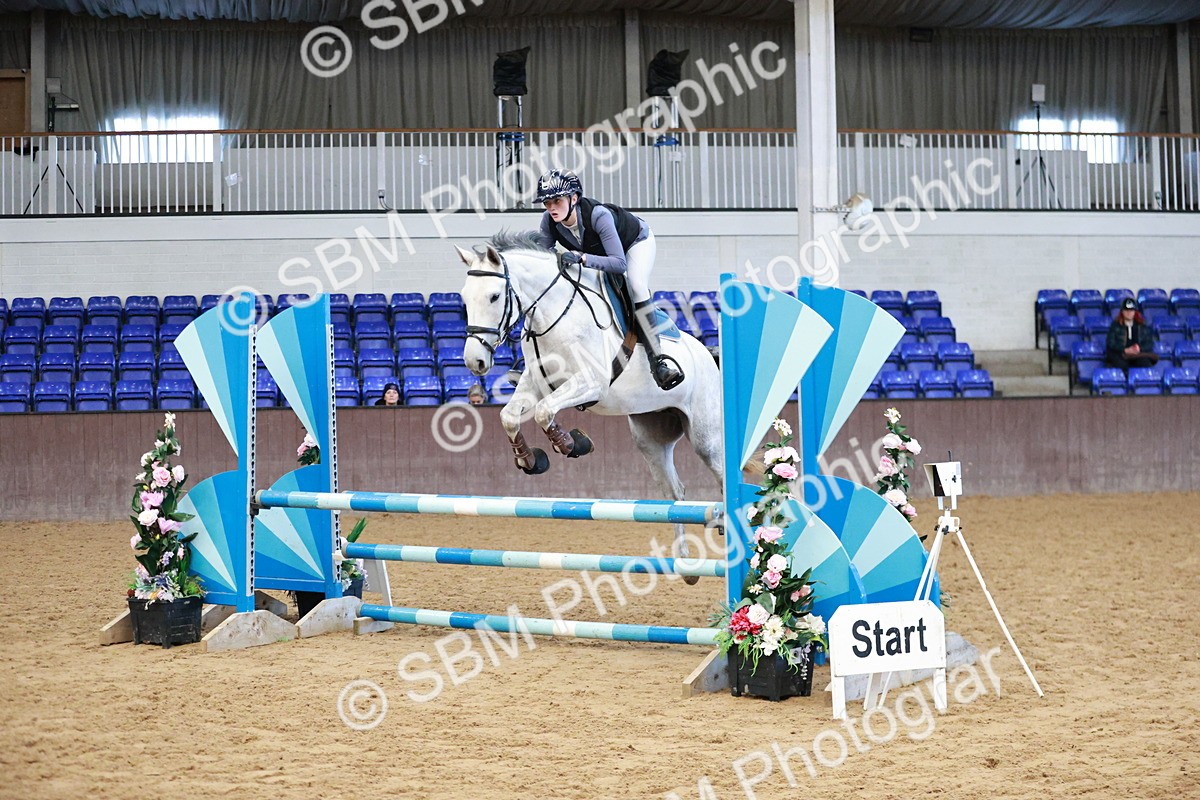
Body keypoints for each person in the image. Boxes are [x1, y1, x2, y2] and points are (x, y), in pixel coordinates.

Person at [535, 168, 684, 390]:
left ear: (574, 198)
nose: (551, 207)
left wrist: (581, 258)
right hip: (598, 254)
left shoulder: (598, 215)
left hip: (633, 244)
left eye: (557, 200)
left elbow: (619, 263)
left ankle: (658, 362)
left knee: (636, 285)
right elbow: (543, 261)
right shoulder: (548, 222)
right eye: (547, 203)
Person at [1105, 297, 1158, 370]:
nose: (1129, 313)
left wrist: (1139, 348)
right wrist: (1125, 350)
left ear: (1135, 312)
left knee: (1144, 363)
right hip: (1121, 355)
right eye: (1126, 310)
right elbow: (1111, 343)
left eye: (1131, 310)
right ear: (1122, 312)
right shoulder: (1115, 326)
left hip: (1137, 355)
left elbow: (1149, 342)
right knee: (1120, 365)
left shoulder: (1142, 326)